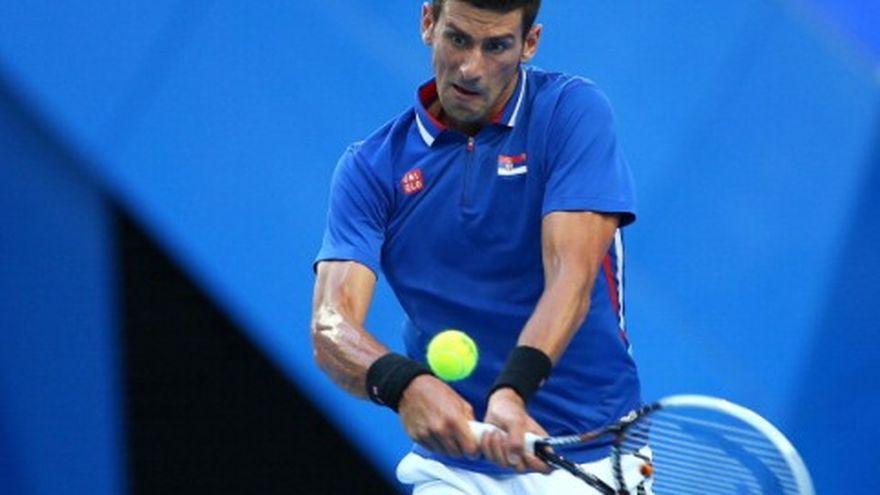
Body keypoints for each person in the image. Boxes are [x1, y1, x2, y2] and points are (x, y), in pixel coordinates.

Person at [312, 0, 645, 492]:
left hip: (589, 454)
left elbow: (570, 277)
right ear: (428, 23)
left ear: (529, 44)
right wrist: (403, 384)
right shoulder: (371, 169)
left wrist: (513, 390)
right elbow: (331, 323)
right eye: (458, 39)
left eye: (496, 47)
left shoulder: (570, 112)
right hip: (455, 469)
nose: (471, 67)